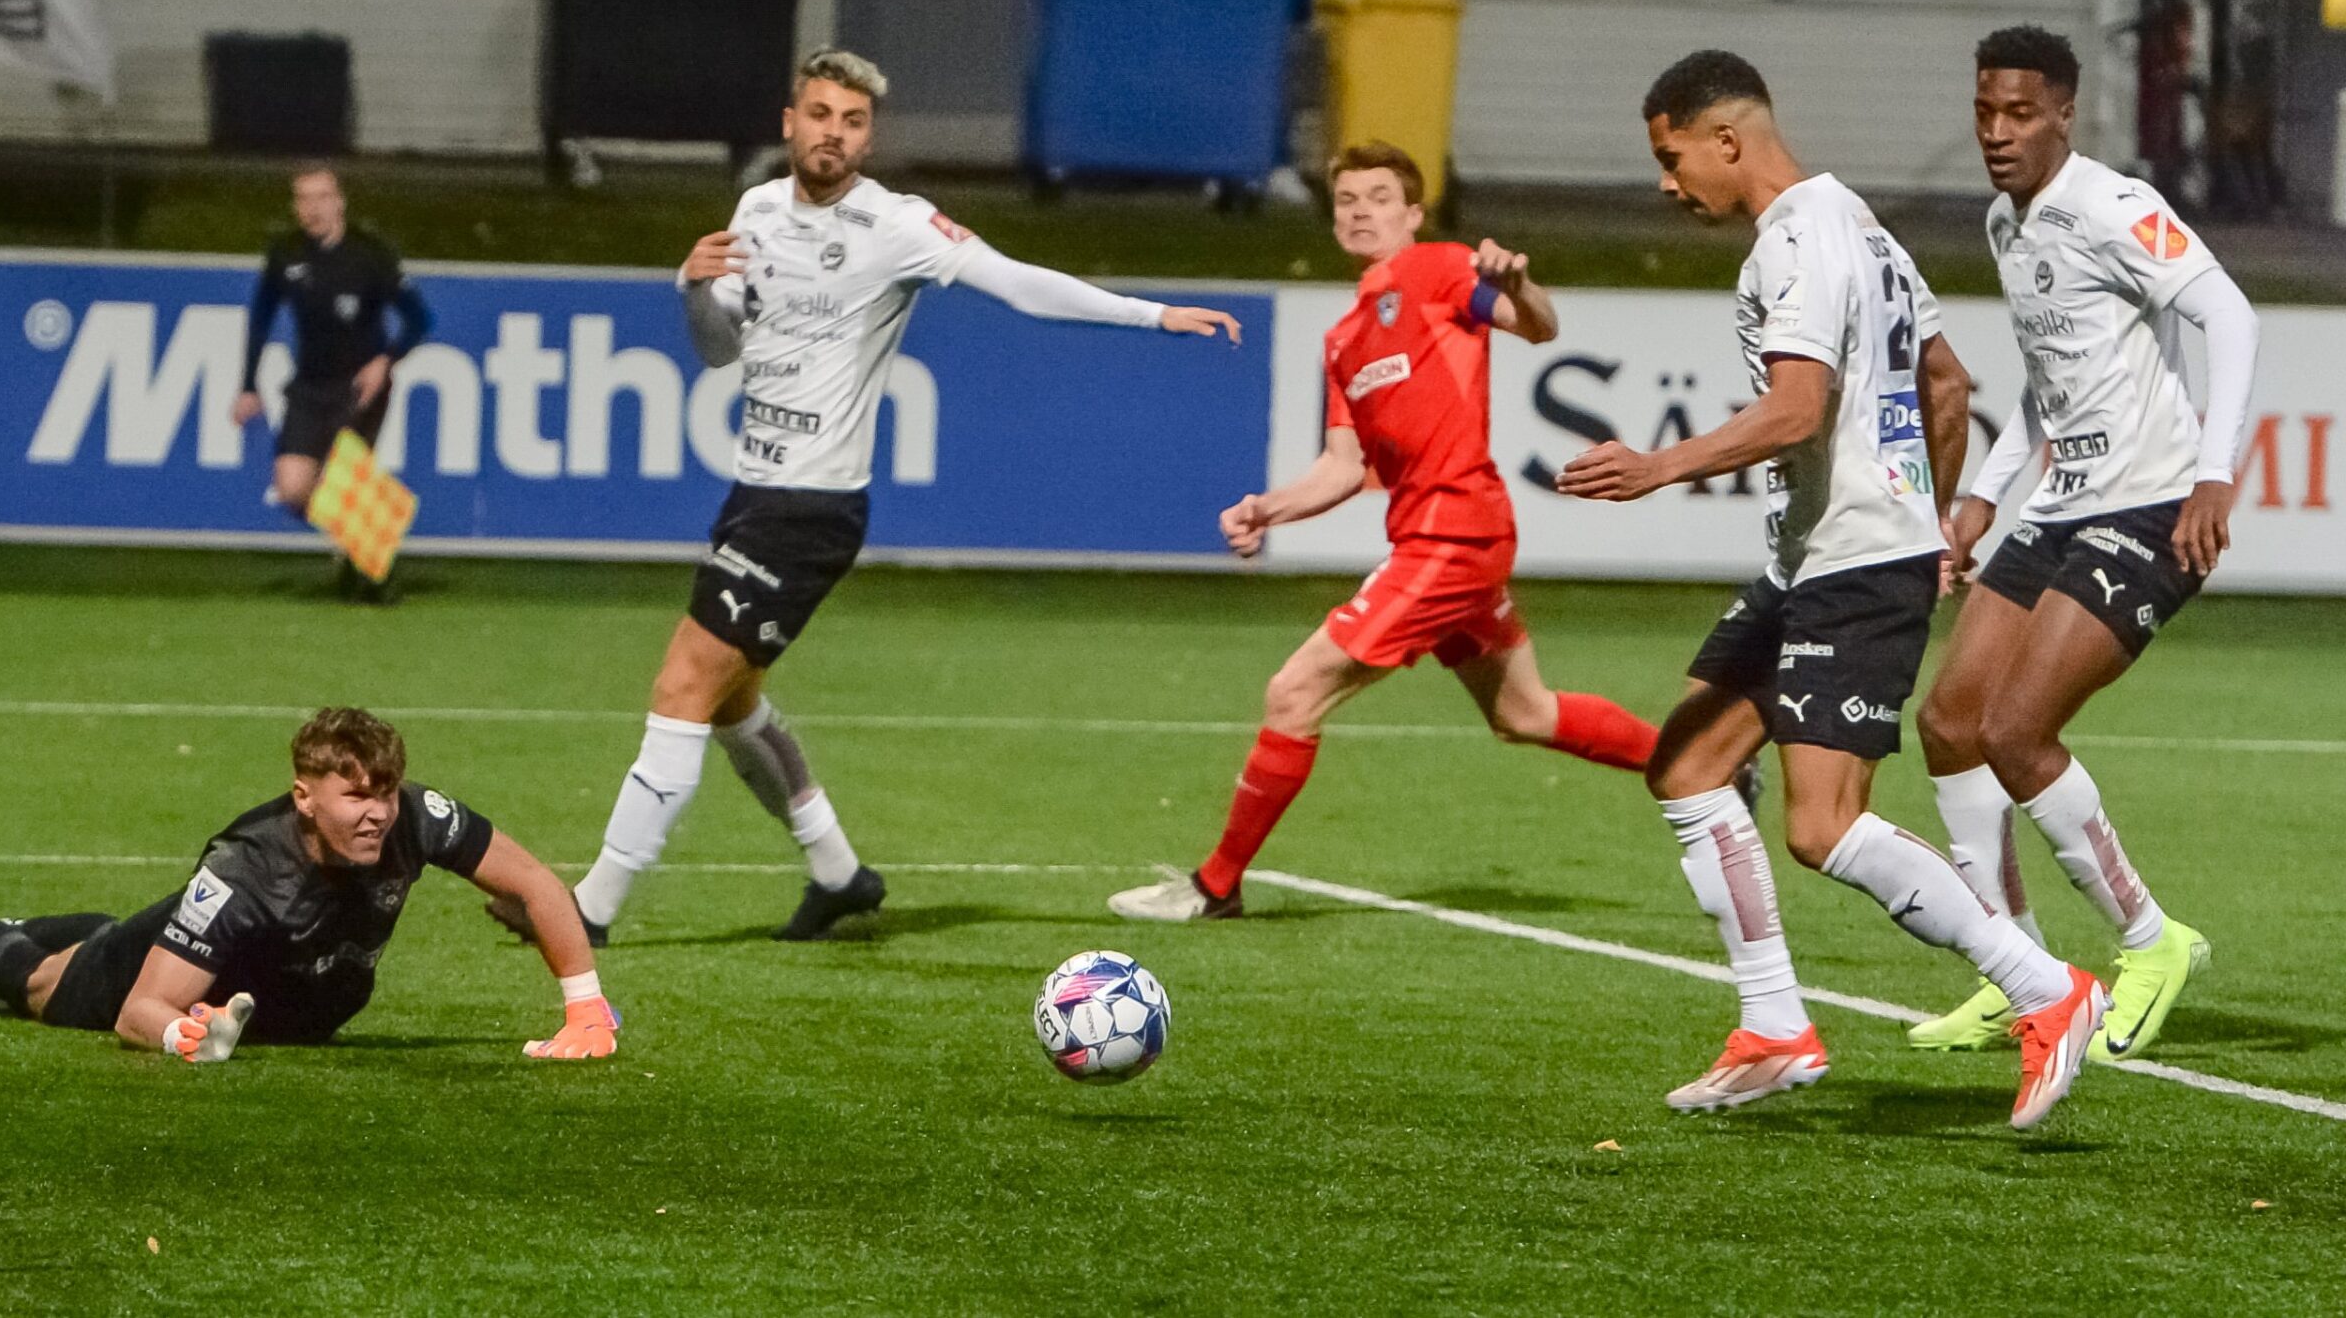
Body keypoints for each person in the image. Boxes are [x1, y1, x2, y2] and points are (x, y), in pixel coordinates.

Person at [517, 49, 1243, 948]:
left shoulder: (898, 225)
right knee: (733, 704)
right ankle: (839, 874)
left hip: (812, 509)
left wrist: (1150, 314)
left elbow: (1016, 282)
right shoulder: (755, 211)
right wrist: (694, 286)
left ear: (868, 137)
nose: (835, 133)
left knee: (684, 684)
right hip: (754, 493)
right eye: (821, 115)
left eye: (853, 122)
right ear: (790, 122)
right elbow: (717, 350)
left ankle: (590, 907)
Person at [1557, 51, 2107, 1131]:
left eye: (1673, 156)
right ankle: (1773, 1028)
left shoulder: (1798, 241)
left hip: (1852, 561)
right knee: (1688, 765)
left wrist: (1658, 466)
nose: (1668, 183)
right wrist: (1929, 519)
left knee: (1821, 826)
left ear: (1727, 139)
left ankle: (2046, 988)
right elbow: (1946, 383)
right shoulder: (1861, 224)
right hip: (1823, 553)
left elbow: (1795, 409)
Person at [1107, 142, 1674, 924]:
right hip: (1443, 539)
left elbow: (1537, 327)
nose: (1360, 211)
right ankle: (1700, 765)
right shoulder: (1343, 340)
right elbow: (1343, 468)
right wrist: (1268, 508)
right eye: (1347, 200)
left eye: (1378, 197)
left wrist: (1518, 283)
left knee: (1295, 690)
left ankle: (1215, 887)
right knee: (1524, 714)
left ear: (1412, 213)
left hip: (1453, 535)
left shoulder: (1437, 269)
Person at [1905, 26, 2256, 1060]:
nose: (1997, 132)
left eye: (2020, 113)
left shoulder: (2112, 205)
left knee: (2017, 732)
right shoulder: (2006, 223)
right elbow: (2050, 384)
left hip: (2151, 507)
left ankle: (2151, 943)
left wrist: (2216, 470)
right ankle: (2017, 968)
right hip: (2061, 506)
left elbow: (2230, 315)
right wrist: (1982, 495)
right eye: (1984, 112)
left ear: (2064, 113)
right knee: (1948, 723)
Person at [0, 708, 616, 1062]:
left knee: (103, 933)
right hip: (171, 973)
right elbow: (140, 1011)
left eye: (385, 792)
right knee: (43, 983)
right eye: (355, 797)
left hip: (270, 990)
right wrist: (184, 1037)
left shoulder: (415, 817)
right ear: (304, 796)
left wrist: (585, 1011)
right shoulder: (242, 869)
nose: (377, 813)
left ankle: (71, 935)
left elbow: (537, 884)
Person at [232, 167, 433, 592]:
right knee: (292, 489)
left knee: (340, 477)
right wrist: (248, 385)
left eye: (322, 197)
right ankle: (367, 540)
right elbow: (260, 319)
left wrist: (386, 360)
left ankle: (372, 567)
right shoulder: (286, 253)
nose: (313, 208)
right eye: (303, 199)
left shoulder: (370, 253)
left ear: (340, 202)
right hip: (308, 385)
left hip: (360, 387)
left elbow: (419, 319)